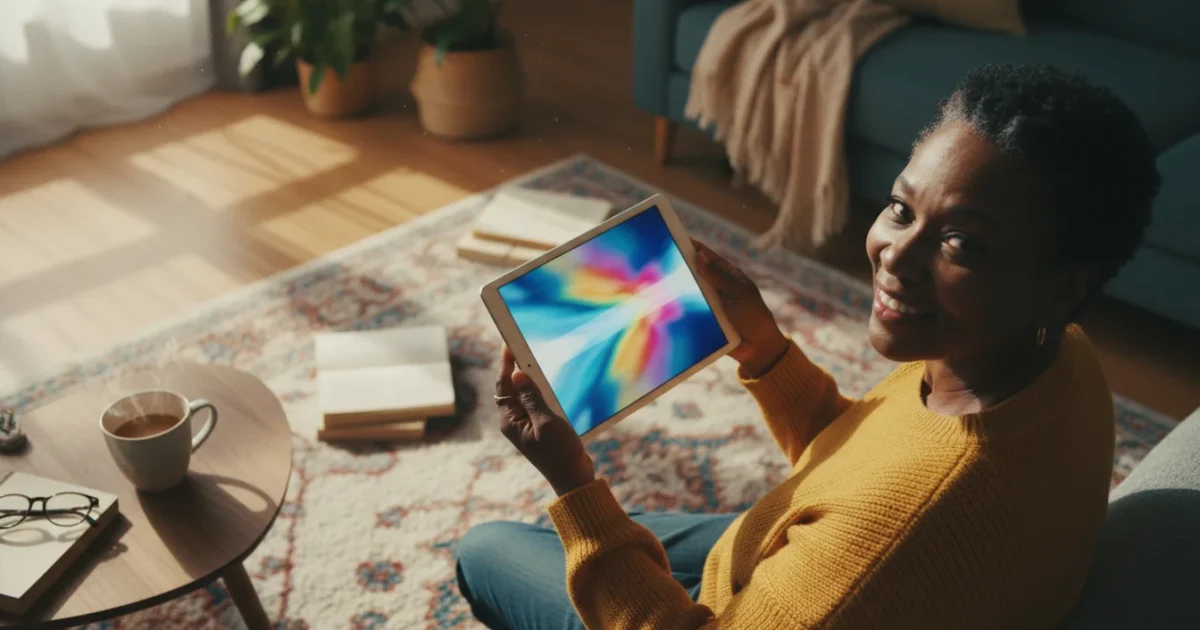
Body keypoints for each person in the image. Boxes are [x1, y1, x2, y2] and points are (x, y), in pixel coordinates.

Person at [456, 63, 1161, 629]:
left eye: (962, 244)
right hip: (807, 568)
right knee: (590, 539)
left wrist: (575, 482)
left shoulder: (895, 536)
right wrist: (765, 353)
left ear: (1061, 287)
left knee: (489, 549)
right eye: (901, 209)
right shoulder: (1054, 356)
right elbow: (867, 461)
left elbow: (890, 511)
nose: (896, 256)